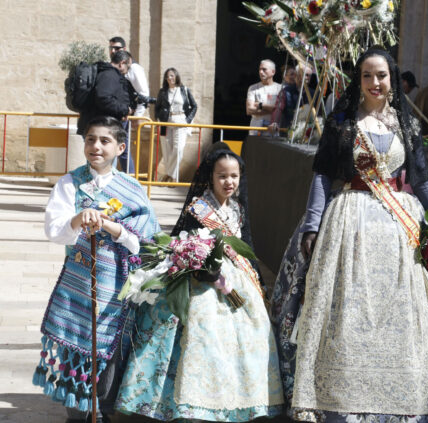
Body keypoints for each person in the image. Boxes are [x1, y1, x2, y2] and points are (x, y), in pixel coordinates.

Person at [285, 47, 428, 422]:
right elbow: (323, 176)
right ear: (358, 80)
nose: (375, 83)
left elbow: (422, 179)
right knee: (350, 308)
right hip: (351, 222)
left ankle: (402, 400)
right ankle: (343, 400)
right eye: (367, 76)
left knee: (400, 310)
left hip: (399, 229)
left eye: (382, 75)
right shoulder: (342, 121)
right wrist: (313, 224)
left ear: (392, 78)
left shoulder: (405, 125)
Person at [116, 145, 285, 421]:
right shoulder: (199, 208)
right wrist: (203, 267)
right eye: (222, 176)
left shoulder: (238, 208)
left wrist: (258, 283)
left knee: (251, 333)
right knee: (203, 337)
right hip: (202, 280)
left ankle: (244, 399)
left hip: (236, 278)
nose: (229, 182)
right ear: (210, 177)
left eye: (234, 176)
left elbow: (247, 245)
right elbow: (185, 241)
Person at [32, 116, 160, 423]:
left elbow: (147, 241)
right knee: (76, 342)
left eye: (104, 141)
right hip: (78, 283)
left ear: (120, 147)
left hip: (116, 287)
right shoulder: (70, 183)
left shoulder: (132, 189)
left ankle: (102, 410)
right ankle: (77, 411)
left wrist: (112, 227)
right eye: (91, 140)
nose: (96, 147)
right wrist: (79, 218)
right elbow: (55, 230)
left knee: (109, 350)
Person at [154, 67, 197, 183]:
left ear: (176, 76)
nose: (169, 78)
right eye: (167, 76)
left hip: (181, 122)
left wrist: (187, 121)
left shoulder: (184, 90)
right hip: (166, 123)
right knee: (167, 152)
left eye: (172, 75)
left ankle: (169, 175)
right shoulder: (163, 92)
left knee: (178, 149)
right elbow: (157, 108)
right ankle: (173, 178)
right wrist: (159, 119)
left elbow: (194, 106)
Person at [268, 64, 314, 131]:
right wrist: (274, 122)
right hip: (288, 131)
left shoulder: (314, 93)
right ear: (296, 75)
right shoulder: (285, 92)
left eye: (308, 75)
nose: (306, 77)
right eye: (303, 74)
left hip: (308, 133)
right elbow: (278, 108)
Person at [246, 59, 282, 135]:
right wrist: (272, 110)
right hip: (255, 130)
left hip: (272, 130)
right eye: (260, 69)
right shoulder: (253, 88)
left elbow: (279, 109)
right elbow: (249, 110)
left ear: (273, 72)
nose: (261, 72)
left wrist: (260, 105)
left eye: (264, 69)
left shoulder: (280, 89)